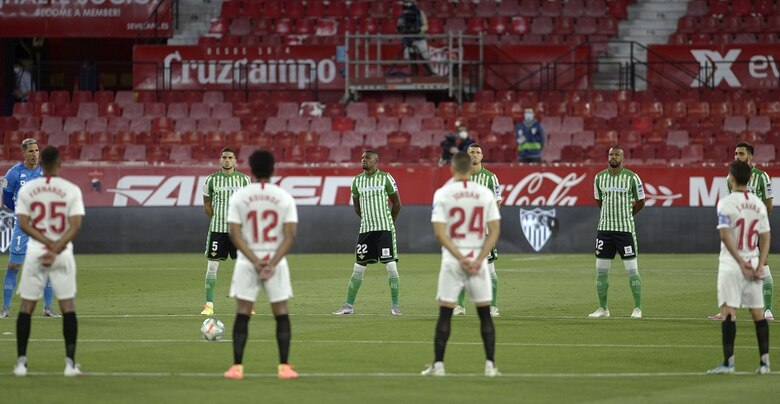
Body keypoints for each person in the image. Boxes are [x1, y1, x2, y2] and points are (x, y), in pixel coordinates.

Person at [421, 151, 501, 377]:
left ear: (452, 169)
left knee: (445, 315)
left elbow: (439, 233)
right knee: (485, 315)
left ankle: (438, 365)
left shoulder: (443, 193)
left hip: (452, 261)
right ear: (470, 168)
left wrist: (460, 257)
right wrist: (477, 258)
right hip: (478, 260)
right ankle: (490, 365)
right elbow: (494, 230)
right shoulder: (484, 193)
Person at [223, 149, 299, 380]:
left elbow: (234, 234)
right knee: (281, 312)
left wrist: (255, 261)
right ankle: (284, 367)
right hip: (275, 260)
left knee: (243, 312)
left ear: (251, 169)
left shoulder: (240, 196)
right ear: (273, 168)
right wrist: (270, 263)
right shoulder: (284, 196)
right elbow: (290, 235)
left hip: (248, 260)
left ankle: (237, 368)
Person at [12, 146, 86, 377]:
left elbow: (23, 223)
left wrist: (44, 243)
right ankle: (70, 365)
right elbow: (75, 225)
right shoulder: (71, 189)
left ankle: (21, 364)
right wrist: (55, 246)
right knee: (68, 306)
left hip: (36, 252)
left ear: (41, 163)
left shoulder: (28, 189)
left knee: (26, 306)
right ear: (60, 163)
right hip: (62, 252)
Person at [707, 160, 771, 375]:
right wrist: (759, 264)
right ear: (750, 179)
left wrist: (740, 261)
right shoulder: (758, 204)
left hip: (732, 264)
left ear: (731, 178)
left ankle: (729, 363)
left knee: (728, 311)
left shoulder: (725, 204)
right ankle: (764, 363)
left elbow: (725, 235)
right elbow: (765, 236)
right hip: (753, 261)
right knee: (758, 313)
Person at [709, 142, 774, 321]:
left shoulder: (762, 177)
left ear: (750, 157)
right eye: (736, 154)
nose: (737, 157)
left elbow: (768, 204)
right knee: (731, 267)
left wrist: (760, 223)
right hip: (738, 227)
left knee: (763, 263)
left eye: (741, 154)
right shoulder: (729, 177)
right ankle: (726, 309)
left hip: (756, 226)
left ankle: (767, 310)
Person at [333, 150, 402, 315]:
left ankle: (395, 307)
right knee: (358, 267)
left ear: (376, 161)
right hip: (366, 230)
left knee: (391, 266)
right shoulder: (356, 181)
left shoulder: (386, 177)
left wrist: (388, 222)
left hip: (385, 229)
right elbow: (357, 207)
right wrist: (368, 220)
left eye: (368, 157)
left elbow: (397, 203)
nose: (363, 160)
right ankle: (348, 306)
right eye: (362, 157)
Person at [1, 138, 59, 318]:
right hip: (23, 227)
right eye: (31, 151)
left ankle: (47, 309)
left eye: (36, 150)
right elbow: (8, 200)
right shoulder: (13, 174)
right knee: (13, 266)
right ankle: (5, 309)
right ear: (23, 153)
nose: (35, 154)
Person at [589, 145, 645, 319]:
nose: (613, 157)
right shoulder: (599, 178)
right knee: (601, 269)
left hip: (625, 230)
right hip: (604, 230)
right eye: (611, 154)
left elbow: (641, 201)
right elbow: (599, 201)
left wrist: (627, 215)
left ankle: (637, 308)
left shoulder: (632, 178)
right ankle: (603, 309)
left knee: (631, 269)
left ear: (623, 157)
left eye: (617, 154)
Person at [200, 147, 251, 316]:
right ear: (220, 160)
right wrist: (216, 219)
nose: (227, 160)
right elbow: (207, 204)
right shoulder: (211, 180)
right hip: (218, 230)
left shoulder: (244, 180)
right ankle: (209, 305)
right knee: (212, 266)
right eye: (224, 157)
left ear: (235, 160)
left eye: (230, 157)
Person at [453, 143, 502, 317]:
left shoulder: (491, 178)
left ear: (482, 156)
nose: (474, 155)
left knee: (489, 268)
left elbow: (496, 203)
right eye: (471, 152)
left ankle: (493, 306)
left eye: (477, 152)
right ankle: (459, 306)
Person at [396, 0, 434, 76]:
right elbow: (399, 27)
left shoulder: (420, 13)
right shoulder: (402, 15)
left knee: (425, 57)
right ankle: (414, 74)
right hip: (408, 40)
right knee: (411, 57)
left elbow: (426, 26)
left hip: (420, 39)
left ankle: (430, 73)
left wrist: (419, 30)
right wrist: (402, 29)